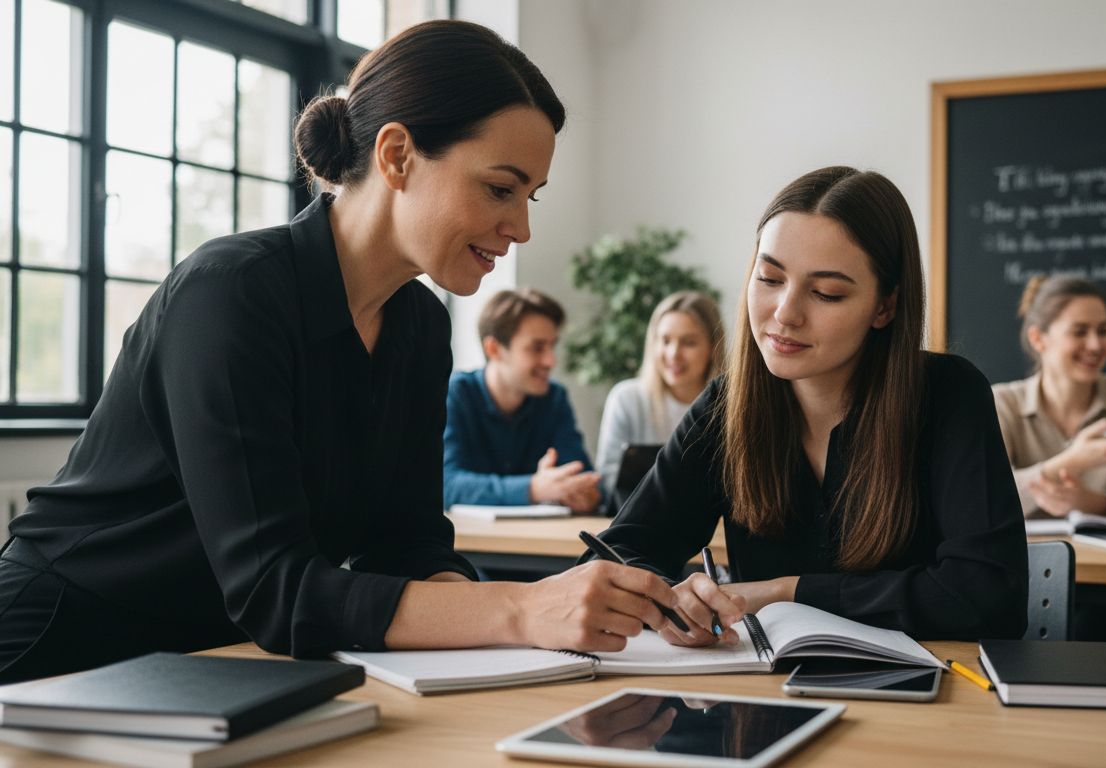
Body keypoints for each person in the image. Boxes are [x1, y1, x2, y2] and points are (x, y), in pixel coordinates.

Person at [0, 20, 677, 684]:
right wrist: (519, 609)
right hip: (58, 648)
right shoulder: (231, 293)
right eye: (501, 188)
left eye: (530, 197)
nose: (521, 228)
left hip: (215, 665)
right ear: (397, 155)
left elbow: (406, 545)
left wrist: (518, 635)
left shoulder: (420, 326)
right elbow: (275, 588)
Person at [593, 166, 1027, 648]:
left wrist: (787, 592)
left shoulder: (949, 395)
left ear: (885, 307)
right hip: (762, 688)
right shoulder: (725, 407)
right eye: (769, 278)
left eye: (826, 293)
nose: (785, 313)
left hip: (928, 690)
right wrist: (677, 599)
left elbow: (990, 598)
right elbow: (612, 558)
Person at [993, 275, 1106, 525]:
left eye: (1103, 331)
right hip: (1026, 551)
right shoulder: (1002, 402)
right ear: (1038, 339)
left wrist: (1093, 503)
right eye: (1080, 332)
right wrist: (1070, 462)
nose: (1096, 345)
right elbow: (982, 500)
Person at [441, 288, 601, 513]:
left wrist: (584, 494)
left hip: (539, 535)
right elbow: (445, 484)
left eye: (552, 346)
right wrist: (534, 489)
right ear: (494, 349)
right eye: (537, 348)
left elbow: (582, 478)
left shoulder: (554, 398)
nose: (550, 360)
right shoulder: (455, 394)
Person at [594, 291, 724, 501]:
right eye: (665, 340)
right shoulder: (626, 399)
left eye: (689, 342)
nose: (674, 354)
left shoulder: (728, 407)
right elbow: (608, 480)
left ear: (713, 347)